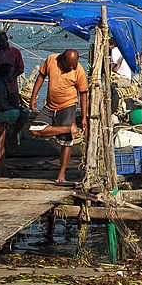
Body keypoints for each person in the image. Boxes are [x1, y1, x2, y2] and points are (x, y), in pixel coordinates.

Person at [28, 49, 88, 184]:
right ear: (62, 60)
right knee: (34, 129)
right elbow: (41, 77)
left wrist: (84, 117)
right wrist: (33, 97)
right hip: (50, 106)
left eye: (74, 65)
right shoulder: (51, 60)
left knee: (66, 142)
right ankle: (68, 129)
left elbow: (83, 94)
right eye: (69, 65)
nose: (72, 67)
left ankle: (62, 173)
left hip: (68, 105)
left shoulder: (79, 70)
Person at [0, 31, 24, 109]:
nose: (1, 44)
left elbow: (21, 68)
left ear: (7, 39)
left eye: (2, 41)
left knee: (15, 106)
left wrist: (12, 77)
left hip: (12, 86)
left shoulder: (15, 52)